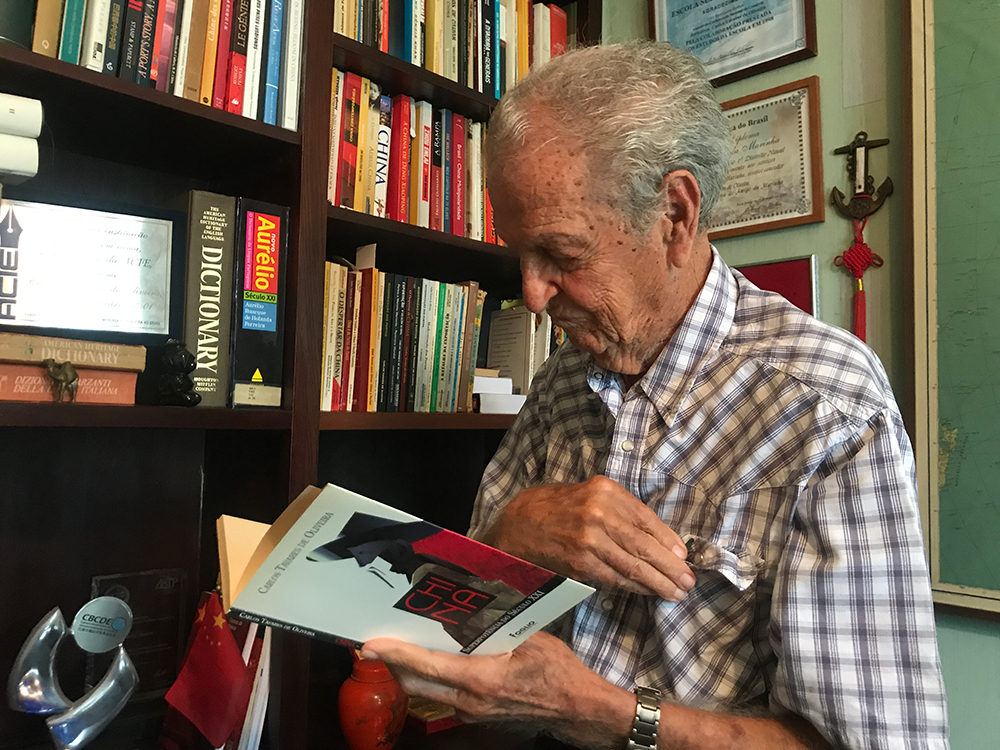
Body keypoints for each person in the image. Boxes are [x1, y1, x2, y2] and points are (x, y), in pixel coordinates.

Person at [361, 41, 949, 750]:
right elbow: (457, 614)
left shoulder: (827, 406)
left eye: (563, 254)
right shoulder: (562, 381)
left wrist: (605, 713)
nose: (533, 294)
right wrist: (511, 533)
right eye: (520, 253)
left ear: (674, 214)